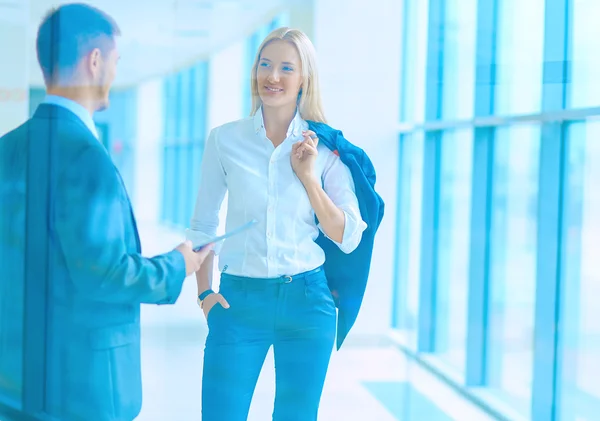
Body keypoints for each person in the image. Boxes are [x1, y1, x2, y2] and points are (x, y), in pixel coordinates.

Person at [0, 4, 212, 420]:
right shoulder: (86, 156)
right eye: (115, 61)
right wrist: (177, 264)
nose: (114, 72)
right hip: (78, 388)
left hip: (15, 379)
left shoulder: (7, 148)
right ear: (94, 61)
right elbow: (104, 273)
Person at [187, 27, 368, 420]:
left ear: (304, 78)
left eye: (287, 67)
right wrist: (205, 295)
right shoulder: (225, 140)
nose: (273, 76)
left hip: (306, 303)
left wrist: (307, 176)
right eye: (265, 65)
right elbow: (203, 224)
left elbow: (348, 234)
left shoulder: (324, 148)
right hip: (238, 302)